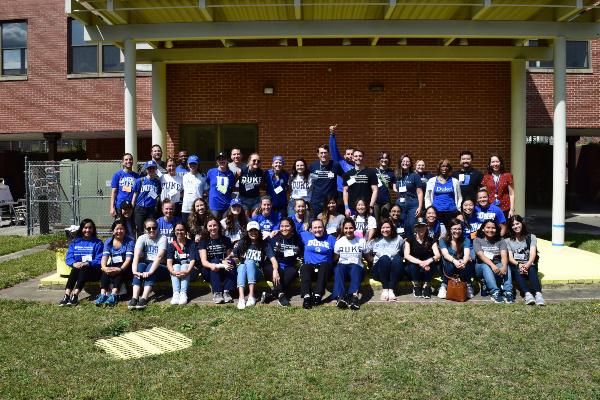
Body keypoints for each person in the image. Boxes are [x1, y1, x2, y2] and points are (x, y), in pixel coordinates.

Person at [58, 219, 103, 306]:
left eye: (90, 228)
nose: (87, 230)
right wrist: (74, 263)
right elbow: (69, 257)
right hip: (78, 271)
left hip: (93, 272)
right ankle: (67, 295)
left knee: (84, 268)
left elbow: (99, 259)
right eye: (85, 228)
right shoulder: (75, 242)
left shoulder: (98, 243)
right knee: (75, 269)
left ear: (93, 229)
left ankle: (75, 295)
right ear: (81, 229)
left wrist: (88, 263)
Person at [232, 221, 276, 310]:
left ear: (259, 231)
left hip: (257, 273)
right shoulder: (242, 242)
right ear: (247, 232)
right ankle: (241, 298)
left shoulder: (264, 244)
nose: (253, 233)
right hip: (243, 273)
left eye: (255, 230)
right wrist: (228, 261)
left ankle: (251, 296)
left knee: (250, 262)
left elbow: (273, 259)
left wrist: (275, 270)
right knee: (241, 266)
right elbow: (232, 255)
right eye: (250, 231)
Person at [128, 218, 168, 310]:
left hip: (161, 267)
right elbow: (136, 255)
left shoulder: (163, 238)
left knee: (150, 266)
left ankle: (144, 298)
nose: (151, 230)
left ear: (158, 228)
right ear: (145, 229)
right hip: (147, 266)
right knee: (140, 266)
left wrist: (150, 272)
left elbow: (159, 257)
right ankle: (134, 297)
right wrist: (134, 271)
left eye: (154, 228)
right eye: (149, 228)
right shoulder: (142, 238)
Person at [263, 217, 303, 306]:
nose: (284, 228)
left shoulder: (297, 240)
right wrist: (275, 270)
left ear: (292, 227)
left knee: (292, 272)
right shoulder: (274, 237)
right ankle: (281, 296)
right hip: (272, 266)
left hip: (289, 266)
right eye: (282, 226)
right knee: (279, 273)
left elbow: (301, 251)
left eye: (287, 226)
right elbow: (264, 247)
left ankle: (271, 294)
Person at [505, 215, 545, 305]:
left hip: (529, 263)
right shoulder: (507, 240)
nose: (516, 226)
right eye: (513, 225)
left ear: (522, 223)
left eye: (517, 223)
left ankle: (538, 294)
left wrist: (527, 264)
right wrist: (519, 265)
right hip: (516, 264)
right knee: (517, 269)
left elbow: (533, 253)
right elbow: (510, 258)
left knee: (531, 267)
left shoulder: (531, 237)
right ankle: (527, 294)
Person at [473, 219, 514, 304]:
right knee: (485, 266)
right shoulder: (477, 240)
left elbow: (503, 255)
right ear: (483, 229)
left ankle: (508, 291)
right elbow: (481, 255)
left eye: (493, 228)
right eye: (488, 227)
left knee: (506, 266)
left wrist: (504, 266)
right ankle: (494, 292)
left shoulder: (500, 240)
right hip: (481, 266)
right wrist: (492, 266)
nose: (490, 230)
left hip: (496, 263)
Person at [96, 219, 134, 307]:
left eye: (122, 229)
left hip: (126, 267)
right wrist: (104, 267)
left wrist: (120, 269)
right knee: (105, 271)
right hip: (114, 265)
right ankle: (102, 295)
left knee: (119, 273)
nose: (119, 231)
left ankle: (113, 295)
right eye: (117, 229)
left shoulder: (130, 241)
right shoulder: (108, 241)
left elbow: (128, 259)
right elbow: (104, 257)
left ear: (125, 230)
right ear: (113, 231)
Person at [299, 219, 337, 309]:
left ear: (324, 228)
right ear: (311, 229)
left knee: (325, 265)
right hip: (310, 268)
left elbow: (338, 253)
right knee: (304, 267)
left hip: (324, 270)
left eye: (320, 227)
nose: (317, 230)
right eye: (315, 228)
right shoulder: (304, 235)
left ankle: (317, 295)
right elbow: (290, 234)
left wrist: (332, 260)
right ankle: (307, 297)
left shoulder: (331, 239)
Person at [365, 218, 404, 302]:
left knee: (397, 258)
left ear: (392, 228)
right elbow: (366, 252)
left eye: (388, 227)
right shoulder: (374, 240)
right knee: (384, 258)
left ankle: (391, 290)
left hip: (393, 272)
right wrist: (372, 260)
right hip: (378, 271)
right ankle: (385, 289)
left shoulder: (398, 239)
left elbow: (404, 252)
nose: (385, 230)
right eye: (383, 227)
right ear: (380, 229)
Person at [333, 218, 368, 310]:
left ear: (355, 228)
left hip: (357, 268)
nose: (348, 230)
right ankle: (341, 298)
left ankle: (354, 297)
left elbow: (368, 256)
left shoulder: (361, 241)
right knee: (338, 268)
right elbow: (335, 258)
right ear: (343, 229)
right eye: (346, 228)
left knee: (356, 267)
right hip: (343, 267)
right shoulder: (339, 242)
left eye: (351, 228)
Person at [198, 216, 234, 304]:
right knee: (214, 261)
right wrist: (212, 265)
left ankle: (227, 291)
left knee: (231, 262)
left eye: (215, 225)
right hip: (209, 270)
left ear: (218, 226)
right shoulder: (203, 241)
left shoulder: (226, 239)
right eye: (210, 226)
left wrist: (225, 260)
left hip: (223, 269)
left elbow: (229, 257)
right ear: (206, 228)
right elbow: (204, 261)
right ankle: (217, 293)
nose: (213, 228)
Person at [404, 217, 441, 299]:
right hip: (413, 268)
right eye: (418, 226)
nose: (421, 228)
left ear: (426, 227)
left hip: (427, 268)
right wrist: (420, 262)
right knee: (413, 265)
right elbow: (406, 255)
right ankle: (416, 285)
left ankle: (426, 285)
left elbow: (437, 255)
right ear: (415, 228)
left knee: (429, 266)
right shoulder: (409, 240)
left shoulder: (431, 240)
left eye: (423, 226)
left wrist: (428, 261)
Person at [438, 218, 475, 300]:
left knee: (469, 261)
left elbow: (466, 254)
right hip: (449, 265)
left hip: (461, 266)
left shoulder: (466, 240)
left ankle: (467, 284)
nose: (457, 231)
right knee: (448, 261)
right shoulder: (443, 240)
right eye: (454, 229)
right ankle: (444, 285)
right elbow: (445, 254)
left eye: (459, 229)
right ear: (450, 229)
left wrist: (464, 262)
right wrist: (455, 261)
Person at [308, 144, 344, 217]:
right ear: (318, 154)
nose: (323, 155)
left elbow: (344, 176)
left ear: (328, 154)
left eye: (325, 153)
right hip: (316, 200)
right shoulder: (313, 166)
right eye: (321, 153)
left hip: (331, 201)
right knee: (316, 223)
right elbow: (306, 178)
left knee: (331, 222)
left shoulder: (335, 165)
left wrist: (345, 188)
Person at [166, 222, 197, 305]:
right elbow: (169, 262)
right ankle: (176, 294)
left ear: (186, 231)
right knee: (175, 266)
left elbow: (193, 260)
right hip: (176, 273)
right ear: (174, 231)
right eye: (177, 230)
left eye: (182, 230)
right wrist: (173, 272)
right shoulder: (171, 245)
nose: (179, 232)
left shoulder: (191, 243)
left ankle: (183, 293)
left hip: (190, 272)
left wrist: (187, 271)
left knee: (184, 265)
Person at [394, 154, 423, 238]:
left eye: (407, 161)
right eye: (403, 161)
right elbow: (395, 188)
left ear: (410, 164)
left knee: (411, 225)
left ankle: (409, 244)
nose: (405, 163)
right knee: (400, 224)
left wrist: (420, 207)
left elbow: (420, 192)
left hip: (412, 203)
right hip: (400, 203)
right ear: (400, 163)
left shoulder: (415, 176)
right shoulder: (397, 175)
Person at [424, 159, 462, 225]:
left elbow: (459, 197)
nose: (445, 168)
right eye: (443, 166)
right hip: (436, 212)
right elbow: (427, 197)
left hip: (452, 211)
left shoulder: (455, 181)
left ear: (449, 168)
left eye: (447, 166)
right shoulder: (431, 181)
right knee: (438, 232)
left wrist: (458, 209)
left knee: (451, 232)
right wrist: (429, 209)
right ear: (439, 168)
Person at [342, 148, 378, 217]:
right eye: (356, 156)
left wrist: (371, 206)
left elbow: (375, 190)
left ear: (363, 158)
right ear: (352, 158)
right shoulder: (347, 174)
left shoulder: (371, 172)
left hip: (367, 208)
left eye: (360, 156)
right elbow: (345, 191)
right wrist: (346, 208)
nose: (358, 158)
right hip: (352, 208)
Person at [132, 160, 162, 237]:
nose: (151, 170)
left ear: (155, 169)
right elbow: (135, 195)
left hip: (151, 209)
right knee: (140, 230)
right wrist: (132, 208)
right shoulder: (140, 180)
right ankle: (140, 247)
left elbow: (157, 195)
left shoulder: (157, 182)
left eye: (153, 168)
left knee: (151, 228)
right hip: (140, 208)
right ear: (146, 170)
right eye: (149, 169)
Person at [481, 154, 515, 219]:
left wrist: (512, 209)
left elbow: (511, 194)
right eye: (493, 162)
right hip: (491, 208)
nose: (495, 164)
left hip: (505, 208)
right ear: (490, 164)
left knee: (505, 227)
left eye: (497, 161)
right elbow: (484, 194)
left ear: (500, 163)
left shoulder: (508, 176)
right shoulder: (486, 177)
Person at [329, 124, 354, 207]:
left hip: (352, 193)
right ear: (345, 156)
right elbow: (333, 149)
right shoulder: (340, 162)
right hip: (340, 193)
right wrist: (332, 135)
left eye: (352, 154)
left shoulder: (358, 167)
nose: (350, 156)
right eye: (348, 154)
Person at [206, 152, 235, 219]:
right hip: (214, 205)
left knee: (225, 226)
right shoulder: (211, 172)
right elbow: (207, 184)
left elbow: (231, 188)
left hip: (226, 205)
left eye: (223, 159)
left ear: (227, 161)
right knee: (214, 224)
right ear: (217, 161)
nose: (221, 161)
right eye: (219, 159)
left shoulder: (230, 174)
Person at [109, 153, 139, 218]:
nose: (128, 161)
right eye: (126, 160)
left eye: (130, 159)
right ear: (123, 162)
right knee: (119, 226)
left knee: (130, 227)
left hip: (131, 206)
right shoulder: (117, 175)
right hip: (119, 206)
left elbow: (137, 192)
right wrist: (112, 207)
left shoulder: (137, 176)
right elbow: (114, 192)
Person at [181, 155, 208, 223]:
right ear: (188, 165)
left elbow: (206, 191)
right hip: (186, 208)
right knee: (186, 227)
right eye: (191, 164)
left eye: (194, 164)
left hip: (199, 208)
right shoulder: (184, 177)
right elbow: (181, 191)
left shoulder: (203, 176)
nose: (192, 166)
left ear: (198, 164)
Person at [237, 152, 264, 217]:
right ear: (249, 161)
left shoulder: (261, 172)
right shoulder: (241, 171)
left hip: (256, 199)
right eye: (254, 160)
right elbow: (232, 184)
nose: (256, 162)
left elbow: (262, 186)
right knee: (245, 217)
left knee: (255, 217)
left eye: (258, 161)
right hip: (243, 199)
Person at [374, 151, 396, 223]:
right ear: (379, 159)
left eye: (386, 158)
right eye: (382, 158)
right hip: (375, 201)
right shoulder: (373, 171)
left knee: (385, 221)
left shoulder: (391, 173)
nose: (384, 160)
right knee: (376, 221)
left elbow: (394, 187)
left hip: (386, 201)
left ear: (388, 160)